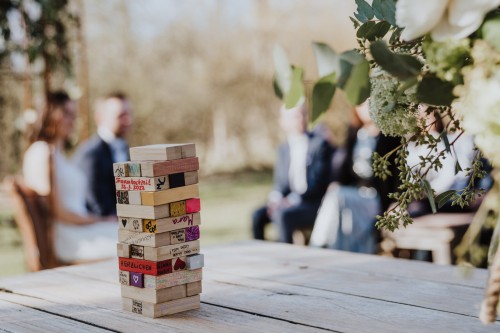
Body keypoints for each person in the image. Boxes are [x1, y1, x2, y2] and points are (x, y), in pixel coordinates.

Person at [23, 91, 117, 262]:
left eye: (73, 114)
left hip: (80, 230)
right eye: (66, 114)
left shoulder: (57, 154)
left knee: (134, 237)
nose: (73, 120)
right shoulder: (43, 153)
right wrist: (98, 220)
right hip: (70, 238)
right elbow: (56, 211)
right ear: (50, 114)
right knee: (132, 245)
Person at [309, 100, 400, 253]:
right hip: (353, 192)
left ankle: (318, 245)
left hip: (375, 197)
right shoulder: (354, 133)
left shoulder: (389, 137)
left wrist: (396, 202)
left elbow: (398, 172)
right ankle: (336, 250)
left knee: (337, 196)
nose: (365, 110)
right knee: (337, 198)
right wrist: (337, 182)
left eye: (369, 104)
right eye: (361, 106)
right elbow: (344, 166)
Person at [251, 103, 333, 243]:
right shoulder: (283, 148)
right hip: (287, 204)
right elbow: (280, 184)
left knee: (282, 215)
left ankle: (287, 259)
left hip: (311, 204)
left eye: (303, 114)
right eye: (294, 116)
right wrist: (275, 200)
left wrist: (290, 201)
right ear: (283, 122)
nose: (300, 119)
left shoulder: (319, 144)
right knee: (257, 216)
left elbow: (318, 184)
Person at [73, 92, 133, 216]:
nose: (128, 120)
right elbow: (94, 204)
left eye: (128, 114)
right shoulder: (91, 154)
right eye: (121, 115)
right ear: (100, 117)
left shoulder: (125, 148)